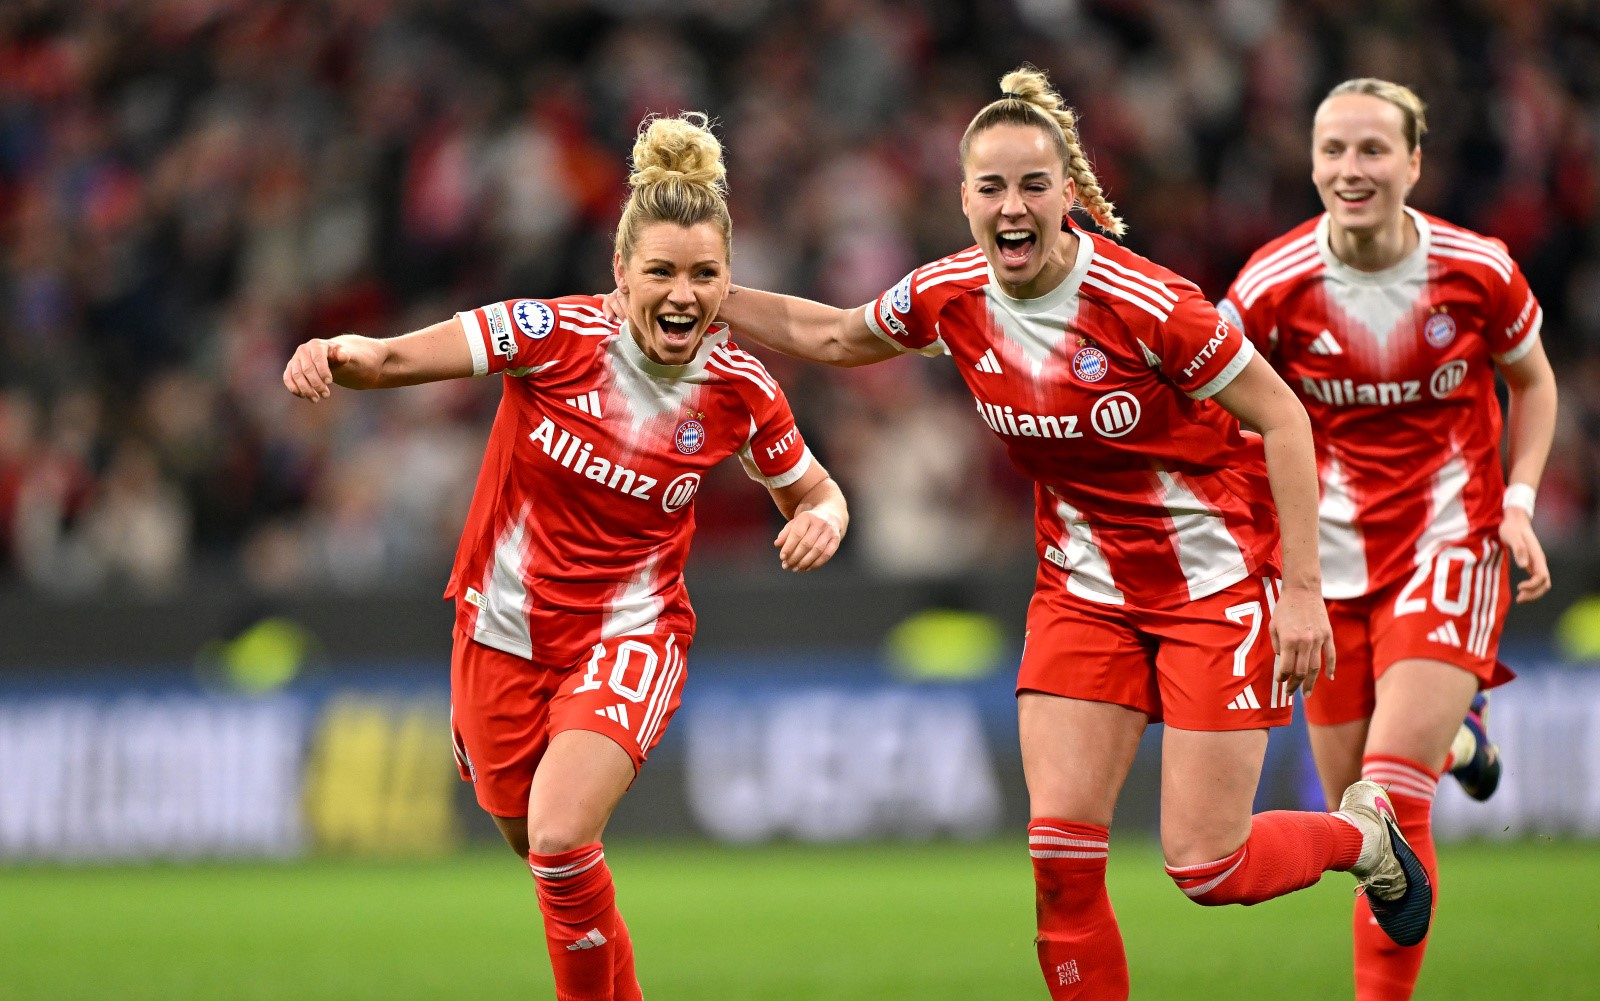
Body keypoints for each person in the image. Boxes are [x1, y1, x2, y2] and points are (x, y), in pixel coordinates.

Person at [611, 66, 1434, 1000]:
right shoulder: (952, 294)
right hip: (1082, 591)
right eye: (991, 187)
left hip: (1212, 584)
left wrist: (1300, 592)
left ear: (1069, 197)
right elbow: (840, 335)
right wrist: (702, 294)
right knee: (1059, 860)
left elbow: (1285, 419)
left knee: (1209, 867)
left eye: (1032, 185)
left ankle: (1365, 836)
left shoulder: (1150, 304)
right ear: (963, 198)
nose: (1012, 205)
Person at [282, 113, 847, 1001]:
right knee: (537, 843)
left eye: (705, 275)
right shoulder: (547, 335)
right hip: (501, 634)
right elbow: (392, 358)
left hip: (630, 634)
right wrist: (333, 352)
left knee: (556, 832)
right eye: (660, 271)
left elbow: (815, 489)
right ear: (620, 273)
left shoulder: (740, 391)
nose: (682, 294)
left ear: (728, 282)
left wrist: (825, 517)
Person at [1219, 78, 1556, 1001]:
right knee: (1368, 835)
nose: (1350, 168)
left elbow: (1534, 382)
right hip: (1321, 569)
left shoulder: (1477, 269)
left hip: (1450, 543)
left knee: (1390, 794)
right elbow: (1218, 411)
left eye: (1372, 149)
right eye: (1333, 150)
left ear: (1414, 161)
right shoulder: (1271, 284)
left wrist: (1518, 501)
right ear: (1312, 163)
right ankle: (1461, 737)